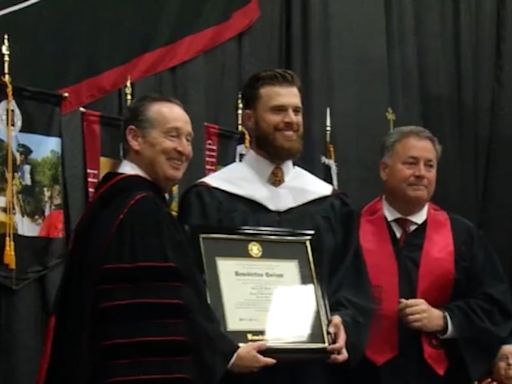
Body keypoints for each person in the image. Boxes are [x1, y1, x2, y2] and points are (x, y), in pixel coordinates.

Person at [38, 95, 276, 384]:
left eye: (189, 139)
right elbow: (156, 327)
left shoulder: (116, 203)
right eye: (172, 136)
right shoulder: (142, 212)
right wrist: (228, 354)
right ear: (135, 138)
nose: (184, 150)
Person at [179, 69, 373, 383]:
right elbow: (191, 291)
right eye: (278, 110)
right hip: (240, 373)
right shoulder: (209, 198)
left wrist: (344, 321)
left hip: (311, 372)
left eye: (296, 111)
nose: (291, 119)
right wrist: (223, 351)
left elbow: (350, 281)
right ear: (249, 120)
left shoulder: (328, 203)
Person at [356, 126, 512, 384]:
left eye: (430, 166)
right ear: (384, 169)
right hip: (363, 374)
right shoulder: (351, 230)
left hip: (439, 374)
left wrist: (444, 319)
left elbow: (495, 305)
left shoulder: (461, 235)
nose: (421, 174)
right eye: (410, 163)